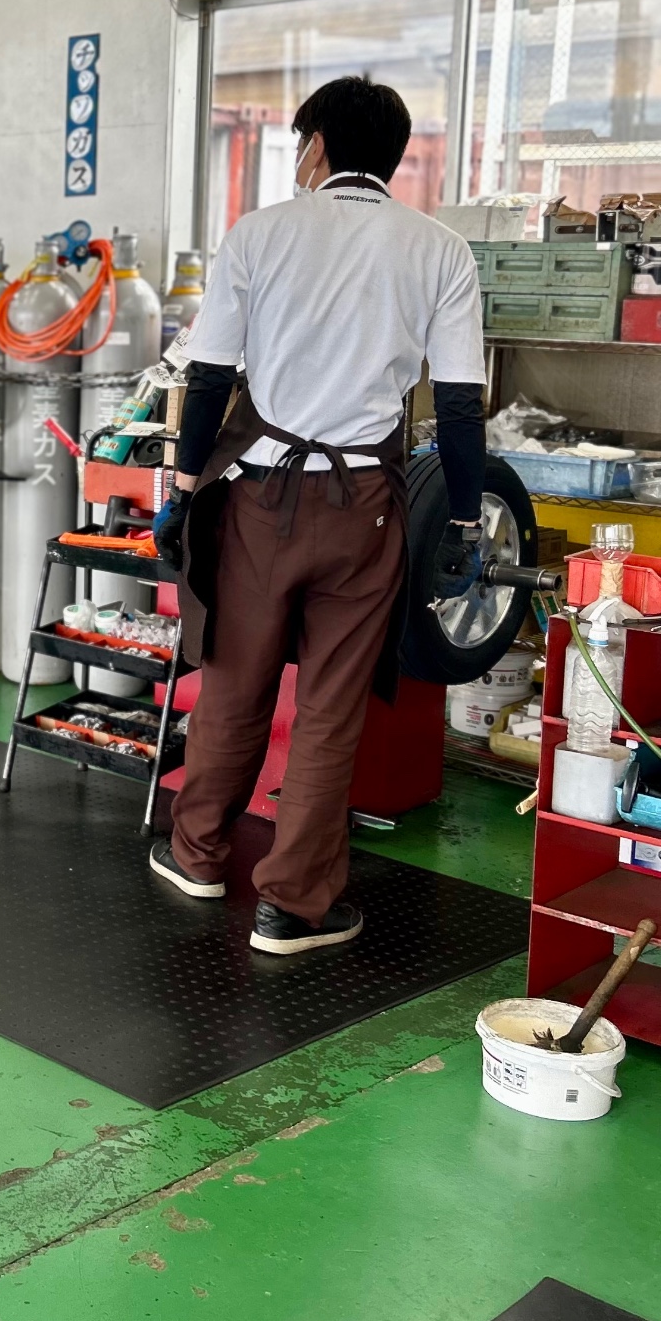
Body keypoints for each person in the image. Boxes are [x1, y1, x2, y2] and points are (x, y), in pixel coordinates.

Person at [149, 76, 486, 954]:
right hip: (366, 506)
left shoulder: (259, 234)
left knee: (236, 678)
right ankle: (294, 905)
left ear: (319, 147)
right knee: (332, 706)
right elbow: (459, 406)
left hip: (260, 498)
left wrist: (181, 492)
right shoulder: (441, 250)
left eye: (302, 142)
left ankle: (197, 853)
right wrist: (462, 521)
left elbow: (208, 379)